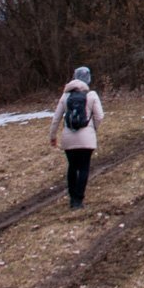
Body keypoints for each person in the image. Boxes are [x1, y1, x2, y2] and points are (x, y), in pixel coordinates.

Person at [49, 66, 105, 209]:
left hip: (68, 138)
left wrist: (53, 136)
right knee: (84, 168)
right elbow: (99, 116)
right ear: (88, 79)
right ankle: (78, 201)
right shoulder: (91, 95)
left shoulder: (65, 96)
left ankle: (72, 199)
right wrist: (93, 129)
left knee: (72, 167)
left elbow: (56, 119)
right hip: (87, 138)